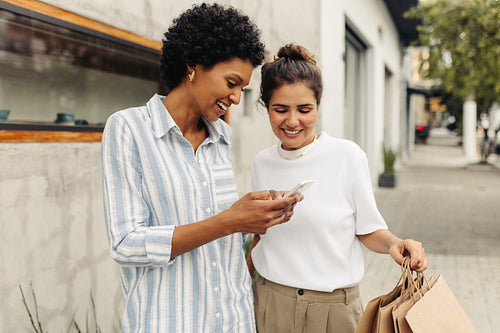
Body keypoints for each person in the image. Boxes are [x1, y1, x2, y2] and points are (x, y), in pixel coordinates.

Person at [101, 4, 301, 332]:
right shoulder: (129, 129)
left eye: (242, 89)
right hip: (168, 322)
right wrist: (228, 221)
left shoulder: (221, 135)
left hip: (232, 319)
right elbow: (126, 243)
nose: (237, 98)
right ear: (193, 65)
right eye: (232, 82)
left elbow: (223, 230)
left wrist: (255, 214)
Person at [247, 44, 428, 333]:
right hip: (270, 302)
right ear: (266, 107)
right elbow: (259, 236)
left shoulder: (347, 156)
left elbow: (367, 229)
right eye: (280, 109)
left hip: (334, 310)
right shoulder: (261, 163)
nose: (292, 121)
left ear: (318, 105)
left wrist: (395, 244)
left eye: (304, 109)